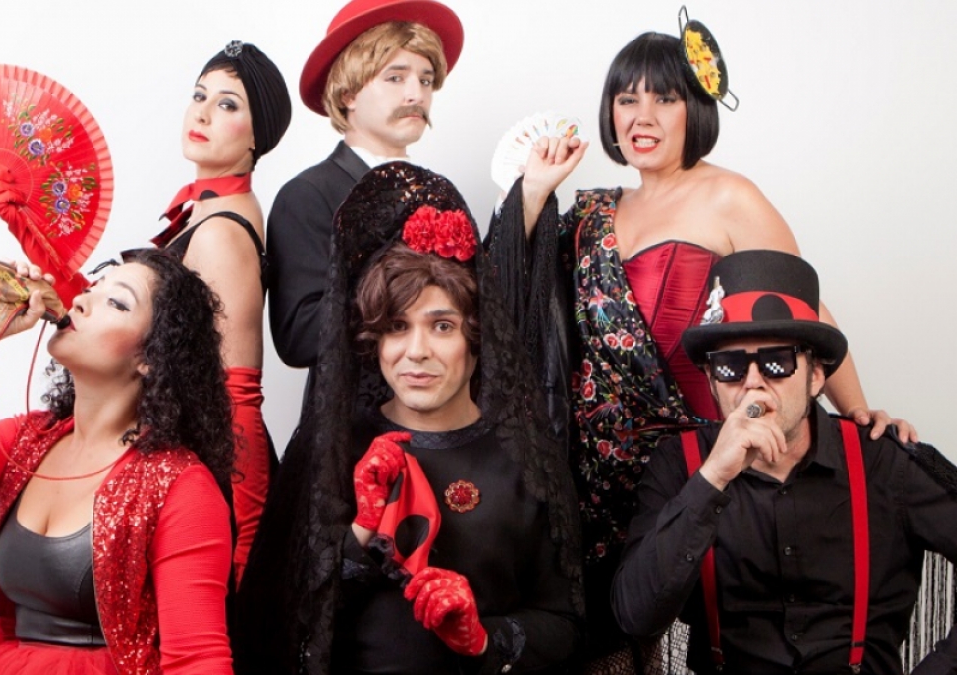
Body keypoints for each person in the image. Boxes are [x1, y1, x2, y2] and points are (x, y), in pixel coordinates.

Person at [489, 29, 915, 672]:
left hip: (694, 463)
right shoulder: (592, 211)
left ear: (696, 109)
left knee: (709, 634)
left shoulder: (729, 196)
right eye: (627, 100)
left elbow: (803, 313)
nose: (643, 117)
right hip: (592, 474)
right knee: (607, 640)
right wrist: (534, 191)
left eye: (664, 99)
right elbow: (513, 290)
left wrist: (857, 417)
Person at [237, 163, 582, 674]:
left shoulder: (525, 459)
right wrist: (361, 532)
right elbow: (277, 623)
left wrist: (486, 640)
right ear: (374, 340)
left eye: (441, 326)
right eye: (397, 326)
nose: (415, 351)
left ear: (476, 339)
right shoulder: (335, 451)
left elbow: (566, 624)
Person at [0, 248, 235, 674]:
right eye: (92, 288)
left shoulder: (181, 487)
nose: (81, 300)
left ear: (150, 357)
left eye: (116, 301)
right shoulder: (31, 441)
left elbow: (197, 661)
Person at [612, 249, 957, 674]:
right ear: (711, 381)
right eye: (730, 366)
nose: (753, 382)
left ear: (816, 376)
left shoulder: (883, 461)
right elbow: (635, 616)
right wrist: (712, 479)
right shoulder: (679, 465)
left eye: (777, 362)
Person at [149, 40, 291, 586]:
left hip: (214, 476)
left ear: (259, 136)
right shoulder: (208, 208)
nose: (202, 113)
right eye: (199, 95)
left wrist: (243, 545)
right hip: (183, 458)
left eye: (227, 104)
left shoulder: (222, 232)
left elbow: (237, 395)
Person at [267, 0, 463, 383]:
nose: (416, 95)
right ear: (348, 95)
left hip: (443, 409)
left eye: (425, 80)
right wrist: (402, 277)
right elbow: (299, 337)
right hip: (355, 417)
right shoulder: (307, 195)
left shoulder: (440, 193)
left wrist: (524, 201)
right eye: (395, 78)